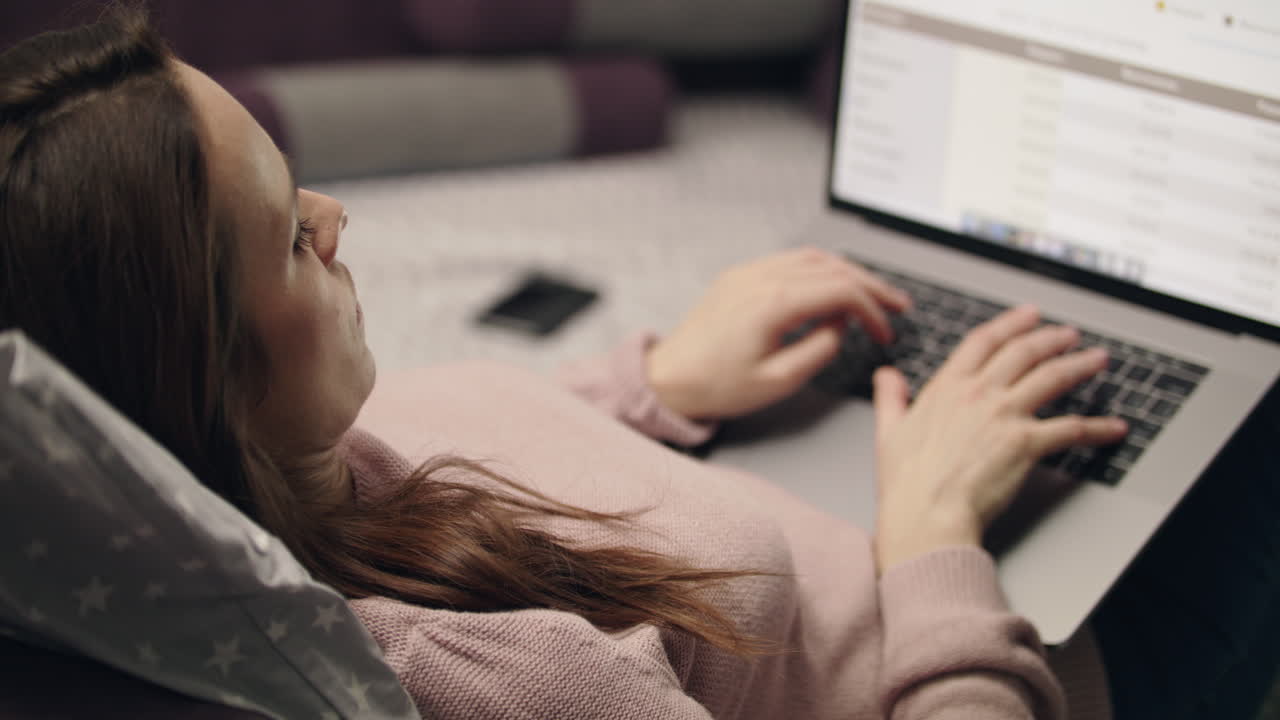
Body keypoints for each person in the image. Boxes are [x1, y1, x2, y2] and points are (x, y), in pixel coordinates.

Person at [1, 9, 1276, 720]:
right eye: (289, 233)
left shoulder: (291, 472)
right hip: (1012, 652)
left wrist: (658, 385)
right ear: (198, 385)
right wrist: (935, 533)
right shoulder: (510, 688)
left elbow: (481, 473)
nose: (335, 218)